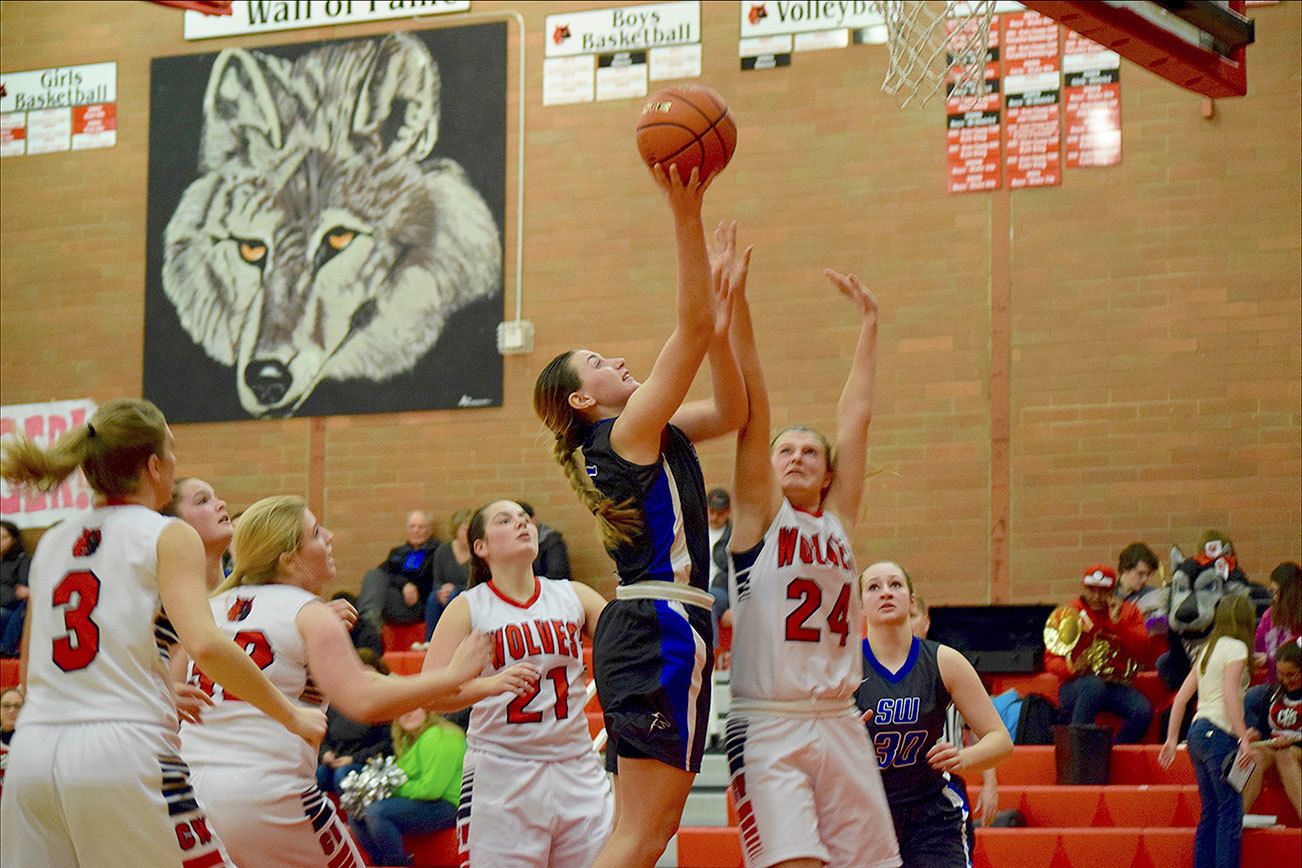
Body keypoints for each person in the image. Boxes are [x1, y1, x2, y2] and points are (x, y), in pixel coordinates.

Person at [0, 398, 326, 868]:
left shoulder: (52, 539)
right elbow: (207, 645)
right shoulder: (167, 534)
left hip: (32, 754)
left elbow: (31, 669)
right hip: (121, 754)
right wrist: (291, 716)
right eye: (172, 451)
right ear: (154, 465)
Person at [533, 163, 745, 868]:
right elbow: (685, 329)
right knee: (641, 837)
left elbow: (732, 411)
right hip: (660, 632)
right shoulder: (622, 436)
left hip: (652, 631)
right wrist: (686, 214)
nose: (616, 359)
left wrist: (721, 322)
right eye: (596, 361)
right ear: (582, 400)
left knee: (638, 835)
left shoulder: (639, 433)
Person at [179, 494, 537, 868]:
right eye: (317, 533)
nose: (330, 536)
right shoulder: (306, 613)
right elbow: (364, 700)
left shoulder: (211, 609)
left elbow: (179, 688)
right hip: (264, 791)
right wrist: (452, 675)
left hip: (193, 793)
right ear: (289, 559)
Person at [717, 223, 899, 868]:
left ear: (828, 473)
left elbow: (856, 417)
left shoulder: (838, 524)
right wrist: (736, 305)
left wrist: (870, 324)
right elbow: (755, 405)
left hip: (843, 719)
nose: (795, 456)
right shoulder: (761, 519)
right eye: (784, 451)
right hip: (769, 723)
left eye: (810, 452)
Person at [425, 499, 612, 866]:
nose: (521, 523)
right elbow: (432, 695)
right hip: (502, 770)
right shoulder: (468, 607)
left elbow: (630, 648)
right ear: (481, 547)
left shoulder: (573, 594)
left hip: (577, 766)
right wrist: (489, 686)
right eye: (505, 520)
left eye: (525, 518)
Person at [860, 562, 1012, 868]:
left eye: (895, 585)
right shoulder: (841, 669)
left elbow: (1001, 740)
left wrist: (964, 758)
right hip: (864, 815)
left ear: (912, 601)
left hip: (930, 814)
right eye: (874, 587)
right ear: (860, 605)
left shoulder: (944, 660)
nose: (886, 593)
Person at [1160, 594, 1260, 868]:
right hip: (1219, 735)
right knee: (1229, 812)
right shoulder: (1238, 648)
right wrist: (1243, 738)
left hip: (1196, 734)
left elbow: (1180, 699)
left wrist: (1171, 739)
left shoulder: (1207, 649)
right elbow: (1229, 696)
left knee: (1211, 813)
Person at [910, 594, 1000, 843]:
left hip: (944, 783)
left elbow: (981, 732)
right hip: (895, 788)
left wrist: (990, 784)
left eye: (912, 616)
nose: (908, 625)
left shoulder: (948, 666)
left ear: (926, 621)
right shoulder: (871, 672)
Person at [1044, 565, 1154, 743]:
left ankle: (1109, 755)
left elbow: (1144, 650)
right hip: (1076, 686)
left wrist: (1119, 624)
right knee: (1093, 685)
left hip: (1112, 683)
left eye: (1103, 592)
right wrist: (1072, 668)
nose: (1096, 596)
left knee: (1142, 710)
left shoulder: (1127, 611)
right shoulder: (1069, 613)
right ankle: (1076, 751)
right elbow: (1050, 659)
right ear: (1083, 587)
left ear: (1113, 591)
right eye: (1091, 590)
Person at [349, 708, 467, 868]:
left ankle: (398, 864)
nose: (407, 713)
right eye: (402, 709)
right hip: (424, 801)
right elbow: (400, 774)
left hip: (449, 806)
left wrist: (394, 788)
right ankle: (379, 863)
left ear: (428, 710)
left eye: (415, 707)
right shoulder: (408, 739)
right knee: (356, 810)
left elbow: (431, 791)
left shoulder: (439, 736)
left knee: (377, 812)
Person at [316, 648, 394, 794]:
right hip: (335, 762)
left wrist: (353, 759)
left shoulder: (386, 704)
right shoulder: (337, 702)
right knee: (317, 775)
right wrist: (325, 754)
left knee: (343, 776)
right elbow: (322, 735)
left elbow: (388, 745)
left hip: (366, 763)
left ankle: (354, 815)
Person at [1246, 639, 1301, 821]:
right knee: (1255, 754)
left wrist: (1293, 742)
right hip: (1279, 759)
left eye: (1292, 674)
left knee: (1285, 754)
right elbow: (1263, 730)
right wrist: (1255, 735)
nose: (1285, 680)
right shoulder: (1272, 693)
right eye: (1280, 674)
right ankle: (1236, 820)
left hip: (1294, 756)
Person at [1244, 562, 1302, 737]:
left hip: (1296, 685)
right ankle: (1259, 739)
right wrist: (1255, 657)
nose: (1274, 597)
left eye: (1277, 592)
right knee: (1251, 698)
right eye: (1272, 591)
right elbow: (1258, 646)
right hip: (1275, 684)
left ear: (1290, 594)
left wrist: (1269, 659)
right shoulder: (1269, 615)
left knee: (1254, 696)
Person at [359, 509, 440, 629]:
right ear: (407, 530)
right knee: (373, 575)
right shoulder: (398, 552)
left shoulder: (437, 552)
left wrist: (406, 585)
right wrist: (404, 584)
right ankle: (369, 620)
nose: (416, 530)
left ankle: (368, 623)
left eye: (421, 527)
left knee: (372, 597)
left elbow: (426, 581)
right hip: (392, 598)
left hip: (414, 605)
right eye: (412, 526)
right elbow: (383, 574)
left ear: (430, 531)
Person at [424, 509, 473, 641]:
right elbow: (437, 580)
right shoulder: (443, 551)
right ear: (456, 530)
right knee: (433, 597)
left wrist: (455, 589)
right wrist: (442, 590)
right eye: (464, 529)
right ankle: (430, 640)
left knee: (454, 596)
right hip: (445, 592)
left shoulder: (478, 552)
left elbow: (479, 582)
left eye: (471, 529)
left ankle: (454, 640)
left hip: (469, 593)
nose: (468, 534)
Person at [519, 501, 573, 582]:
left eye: (525, 521)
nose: (521, 526)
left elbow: (559, 576)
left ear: (533, 520)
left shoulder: (552, 542)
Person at [705, 488, 732, 644]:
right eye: (711, 511)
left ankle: (711, 655)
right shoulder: (696, 532)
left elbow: (744, 574)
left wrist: (735, 607)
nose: (714, 517)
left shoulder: (734, 536)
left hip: (722, 592)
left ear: (727, 512)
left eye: (720, 513)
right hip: (697, 588)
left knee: (708, 600)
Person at [0, 521, 30, 658]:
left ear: (14, 539)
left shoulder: (23, 559)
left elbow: (22, 592)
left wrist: (11, 595)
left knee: (27, 603)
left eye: (4, 537)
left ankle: (5, 650)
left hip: (12, 611)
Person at [1116, 542, 1159, 606]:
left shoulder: (1153, 595)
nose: (1145, 579)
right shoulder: (1107, 593)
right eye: (1141, 573)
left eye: (1148, 574)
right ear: (1125, 568)